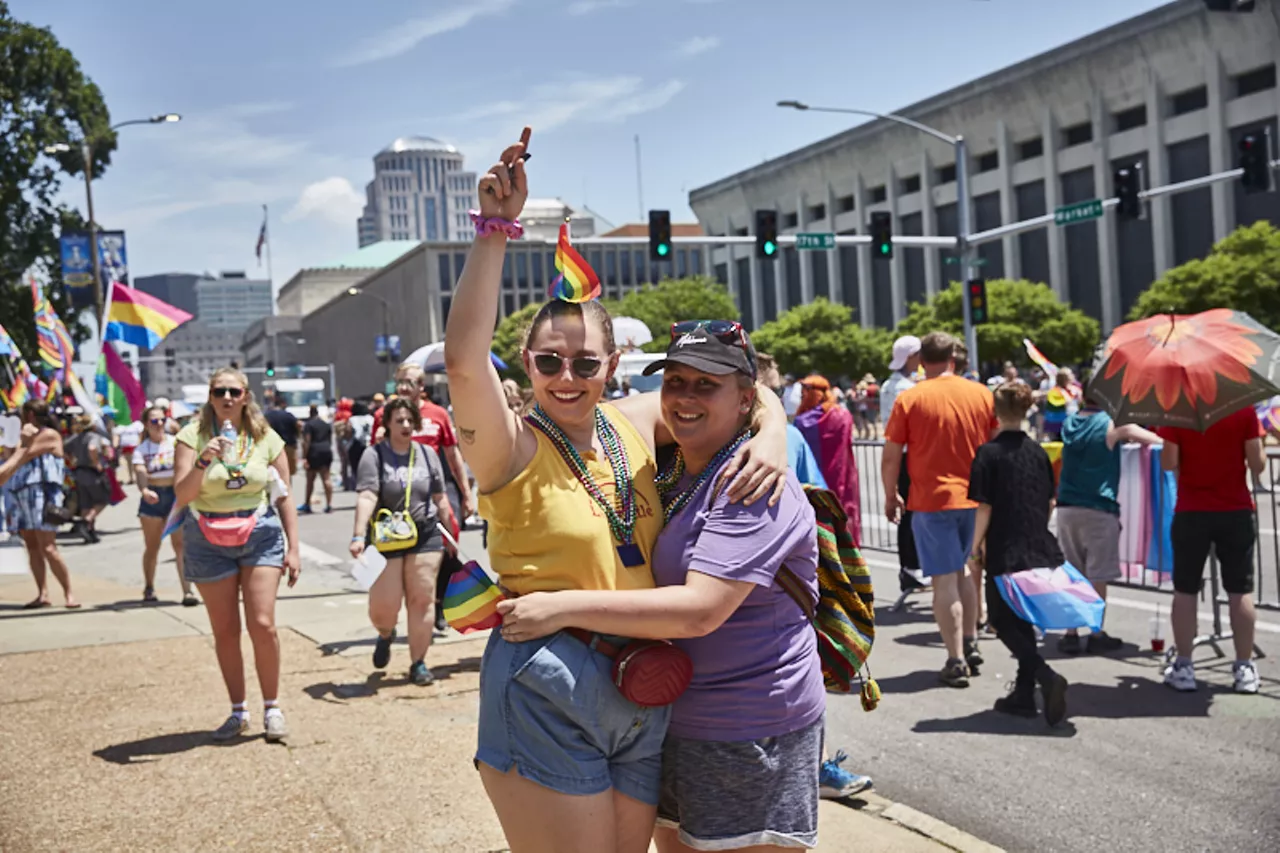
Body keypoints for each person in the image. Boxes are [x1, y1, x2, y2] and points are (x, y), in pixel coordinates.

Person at [444, 126, 788, 853]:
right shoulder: (510, 444)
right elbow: (463, 361)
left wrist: (774, 432)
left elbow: (740, 392)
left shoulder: (631, 420)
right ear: (528, 365)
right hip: (549, 674)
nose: (565, 377)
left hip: (644, 683)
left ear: (613, 364)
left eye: (583, 362)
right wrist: (496, 232)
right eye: (548, 361)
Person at [497, 325, 826, 852]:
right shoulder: (674, 468)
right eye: (676, 381)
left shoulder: (752, 483)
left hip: (749, 728)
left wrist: (559, 608)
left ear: (743, 401)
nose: (684, 398)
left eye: (705, 385)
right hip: (671, 719)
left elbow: (699, 612)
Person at [749, 353, 873, 802]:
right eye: (778, 389)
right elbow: (820, 505)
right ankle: (813, 768)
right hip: (786, 589)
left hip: (747, 589)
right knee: (799, 682)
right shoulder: (790, 436)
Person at [173, 367, 301, 742]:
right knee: (226, 630)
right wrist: (203, 460)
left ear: (246, 396)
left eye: (234, 391)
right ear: (210, 397)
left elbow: (284, 495)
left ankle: (272, 708)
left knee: (262, 624)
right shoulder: (190, 437)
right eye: (219, 391)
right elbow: (182, 495)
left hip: (259, 532)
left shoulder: (266, 437)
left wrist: (293, 548)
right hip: (207, 536)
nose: (226, 398)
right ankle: (237, 710)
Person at [883, 332, 996, 688]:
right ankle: (972, 642)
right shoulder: (981, 394)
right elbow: (994, 446)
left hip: (932, 500)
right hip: (976, 500)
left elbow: (891, 456)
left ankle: (955, 658)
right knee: (966, 571)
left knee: (944, 580)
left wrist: (890, 495)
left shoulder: (910, 398)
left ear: (921, 360)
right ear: (952, 358)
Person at [968, 382, 1070, 725]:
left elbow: (984, 506)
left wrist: (974, 547)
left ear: (995, 412)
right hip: (1037, 541)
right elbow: (1050, 500)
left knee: (1000, 618)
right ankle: (1024, 692)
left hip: (1005, 544)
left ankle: (1044, 675)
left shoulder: (988, 453)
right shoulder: (1039, 452)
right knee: (1024, 618)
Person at [1157, 406, 1266, 694]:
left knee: (1185, 589)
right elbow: (1258, 464)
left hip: (1192, 509)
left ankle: (1184, 666)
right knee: (1240, 589)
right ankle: (1244, 667)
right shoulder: (1242, 410)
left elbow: (1168, 462)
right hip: (1235, 509)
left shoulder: (1179, 411)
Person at [350, 398, 452, 685]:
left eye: (410, 420)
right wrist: (358, 535)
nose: (406, 426)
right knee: (385, 606)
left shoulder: (427, 454)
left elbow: (439, 496)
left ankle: (418, 662)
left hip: (425, 534)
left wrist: (449, 529)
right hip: (386, 536)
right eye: (399, 421)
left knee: (422, 598)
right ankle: (385, 633)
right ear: (388, 425)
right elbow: (367, 496)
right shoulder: (374, 455)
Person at [1055, 396, 1162, 653]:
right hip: (1098, 507)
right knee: (1097, 576)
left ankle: (1070, 633)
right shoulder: (1112, 424)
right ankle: (1095, 632)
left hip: (1067, 506)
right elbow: (1156, 441)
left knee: (1072, 573)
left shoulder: (1069, 423)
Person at [0, 400, 77, 609]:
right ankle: (42, 593)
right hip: (20, 495)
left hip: (43, 497)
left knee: (49, 547)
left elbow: (23, 455)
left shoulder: (49, 435)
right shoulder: (21, 437)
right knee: (32, 546)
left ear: (31, 416)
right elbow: (10, 457)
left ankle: (68, 593)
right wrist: (11, 438)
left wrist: (20, 443)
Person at [133, 405, 198, 606]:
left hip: (175, 495)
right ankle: (149, 586)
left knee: (180, 545)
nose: (159, 424)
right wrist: (144, 490)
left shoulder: (176, 442)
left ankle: (188, 591)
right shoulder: (141, 449)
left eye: (163, 419)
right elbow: (140, 470)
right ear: (146, 424)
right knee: (152, 546)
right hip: (153, 496)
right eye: (154, 421)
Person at [794, 374, 861, 547]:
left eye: (806, 393)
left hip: (816, 477)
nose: (803, 397)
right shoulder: (843, 414)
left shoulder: (802, 421)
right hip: (843, 474)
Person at [881, 335, 925, 596]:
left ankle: (909, 568)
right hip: (910, 452)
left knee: (907, 511)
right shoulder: (905, 388)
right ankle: (912, 567)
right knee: (912, 511)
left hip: (898, 451)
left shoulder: (890, 385)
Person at [64, 414, 110, 544]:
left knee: (86, 503)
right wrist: (96, 463)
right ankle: (87, 521)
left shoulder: (76, 438)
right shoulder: (93, 437)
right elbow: (92, 448)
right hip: (91, 471)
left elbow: (64, 448)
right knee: (102, 500)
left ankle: (89, 532)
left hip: (79, 472)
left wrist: (71, 460)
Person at [299, 404, 334, 514]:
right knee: (326, 478)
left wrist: (304, 457)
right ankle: (329, 504)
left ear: (310, 412)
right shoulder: (326, 424)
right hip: (326, 450)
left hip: (314, 451)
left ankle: (307, 504)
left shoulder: (308, 425)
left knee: (310, 479)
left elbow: (307, 441)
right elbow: (330, 440)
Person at [265, 396, 300, 480]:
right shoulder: (288, 415)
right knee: (287, 473)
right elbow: (299, 425)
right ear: (283, 404)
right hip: (288, 446)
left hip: (271, 447)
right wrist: (297, 435)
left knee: (273, 472)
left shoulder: (267, 415)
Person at [346, 401, 374, 488]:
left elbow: (348, 432)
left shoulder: (352, 419)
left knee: (356, 467)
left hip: (356, 445)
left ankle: (359, 483)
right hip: (369, 444)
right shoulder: (371, 418)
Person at [116, 416, 143, 485]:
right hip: (125, 447)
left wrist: (139, 444)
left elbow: (141, 434)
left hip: (135, 446)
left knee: (136, 462)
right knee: (129, 463)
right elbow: (117, 436)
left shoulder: (136, 424)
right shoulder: (121, 425)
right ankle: (131, 478)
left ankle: (138, 477)